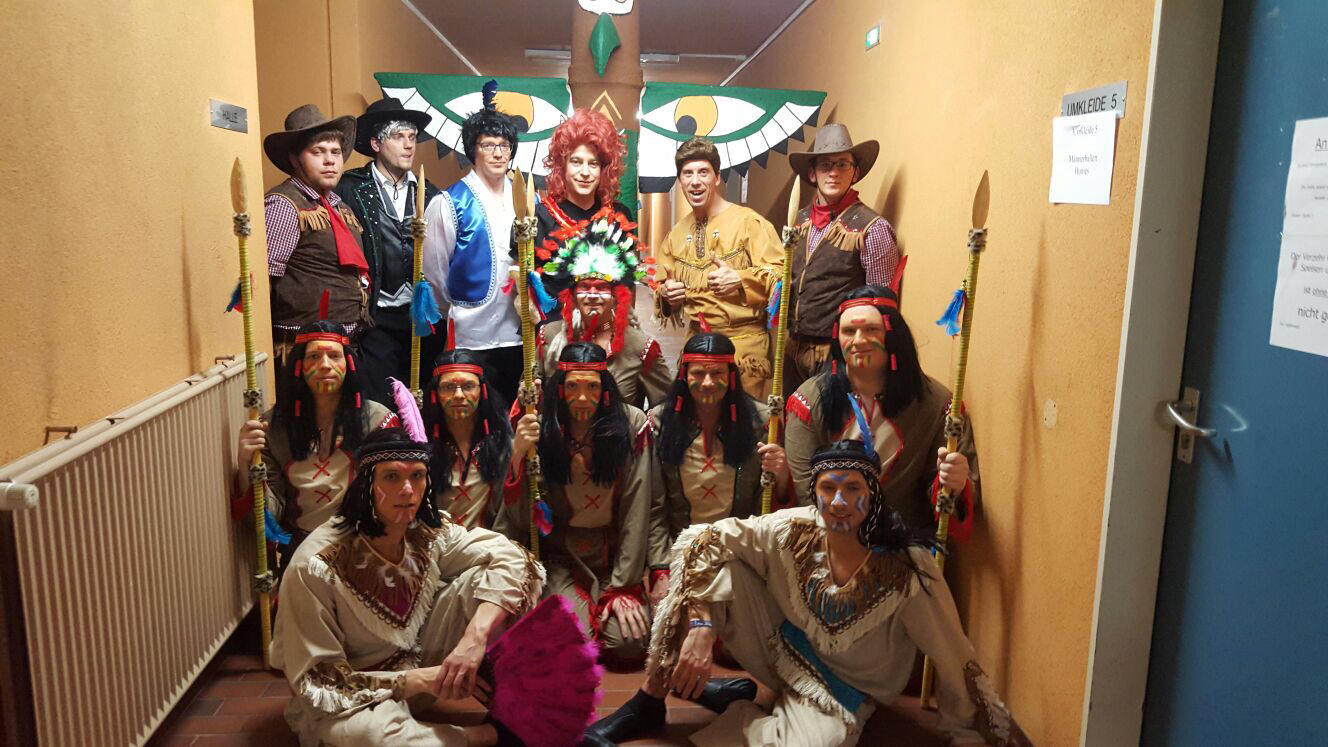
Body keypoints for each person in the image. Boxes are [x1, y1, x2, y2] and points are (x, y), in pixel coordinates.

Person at [588, 440, 1031, 746]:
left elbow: (953, 654)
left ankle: (743, 708)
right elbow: (700, 540)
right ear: (814, 494)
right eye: (828, 488)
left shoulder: (908, 567)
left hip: (846, 692)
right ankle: (650, 699)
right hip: (783, 652)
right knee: (714, 567)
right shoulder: (792, 528)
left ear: (873, 496)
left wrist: (970, 731)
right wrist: (701, 626)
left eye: (853, 489)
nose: (838, 502)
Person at [270, 426, 547, 746]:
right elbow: (321, 685)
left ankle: (509, 706)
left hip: (425, 673)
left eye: (417, 476)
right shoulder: (316, 565)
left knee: (495, 585)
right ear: (366, 484)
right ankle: (488, 736)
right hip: (353, 700)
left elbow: (517, 560)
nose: (407, 490)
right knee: (371, 736)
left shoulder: (427, 531)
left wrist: (475, 638)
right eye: (391, 477)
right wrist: (420, 679)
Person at [502, 342, 654, 665]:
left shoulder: (631, 424)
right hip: (562, 558)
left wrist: (624, 587)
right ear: (560, 389)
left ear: (605, 390)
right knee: (572, 641)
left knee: (629, 644)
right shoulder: (540, 426)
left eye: (592, 387)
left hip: (613, 557)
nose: (582, 398)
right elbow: (521, 519)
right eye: (572, 387)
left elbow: (636, 506)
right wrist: (517, 456)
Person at [785, 286, 977, 539]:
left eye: (871, 330)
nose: (858, 340)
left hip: (905, 543)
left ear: (893, 335)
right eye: (848, 331)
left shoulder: (939, 405)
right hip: (827, 541)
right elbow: (803, 490)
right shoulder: (808, 401)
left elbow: (949, 501)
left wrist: (954, 484)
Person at [644, 332, 790, 603]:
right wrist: (661, 569)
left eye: (717, 373)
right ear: (684, 375)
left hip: (741, 552)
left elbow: (770, 505)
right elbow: (655, 506)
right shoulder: (658, 422)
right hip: (680, 551)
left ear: (731, 376)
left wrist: (782, 475)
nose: (708, 383)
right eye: (698, 373)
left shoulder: (762, 422)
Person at [234, 320, 397, 563]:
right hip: (302, 554)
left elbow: (396, 498)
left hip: (364, 550)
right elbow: (265, 519)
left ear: (349, 364)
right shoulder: (271, 429)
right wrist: (245, 464)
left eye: (334, 356)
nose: (325, 365)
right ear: (299, 366)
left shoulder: (379, 421)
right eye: (313, 357)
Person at [653, 137, 784, 399]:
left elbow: (781, 275)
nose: (695, 181)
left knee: (744, 421)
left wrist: (740, 279)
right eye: (688, 174)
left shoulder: (749, 223)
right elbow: (661, 285)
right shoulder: (676, 234)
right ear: (680, 181)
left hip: (743, 350)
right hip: (696, 347)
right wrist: (667, 295)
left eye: (703, 172)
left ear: (717, 177)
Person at [334, 96, 444, 407]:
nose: (409, 145)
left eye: (412, 137)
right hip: (376, 318)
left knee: (421, 400)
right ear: (376, 143)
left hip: (420, 318)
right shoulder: (350, 189)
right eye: (398, 137)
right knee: (380, 402)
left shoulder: (429, 193)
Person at [422, 82, 523, 406]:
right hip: (469, 334)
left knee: (514, 412)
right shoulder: (449, 203)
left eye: (504, 145)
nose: (498, 153)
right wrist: (458, 309)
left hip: (517, 332)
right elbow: (435, 274)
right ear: (473, 150)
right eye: (488, 144)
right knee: (471, 412)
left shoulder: (526, 200)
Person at [784, 124, 901, 394]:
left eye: (842, 164)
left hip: (838, 352)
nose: (834, 172)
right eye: (825, 165)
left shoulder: (873, 228)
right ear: (812, 173)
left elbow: (881, 306)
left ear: (855, 172)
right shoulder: (798, 221)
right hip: (792, 348)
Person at [262, 105, 369, 382]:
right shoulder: (284, 204)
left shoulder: (340, 207)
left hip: (345, 345)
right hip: (304, 351)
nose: (330, 161)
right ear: (295, 159)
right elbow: (263, 282)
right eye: (318, 152)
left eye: (335, 152)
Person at [537, 208, 670, 410]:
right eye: (584, 287)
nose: (592, 295)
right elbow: (532, 395)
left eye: (601, 287)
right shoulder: (548, 337)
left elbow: (666, 408)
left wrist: (636, 423)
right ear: (572, 295)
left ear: (617, 295)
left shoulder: (640, 347)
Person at [422, 346, 513, 529]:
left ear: (483, 391)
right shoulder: (421, 445)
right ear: (435, 394)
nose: (458, 395)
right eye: (448, 387)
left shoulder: (503, 444)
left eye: (468, 386)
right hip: (437, 542)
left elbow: (512, 514)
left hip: (492, 543)